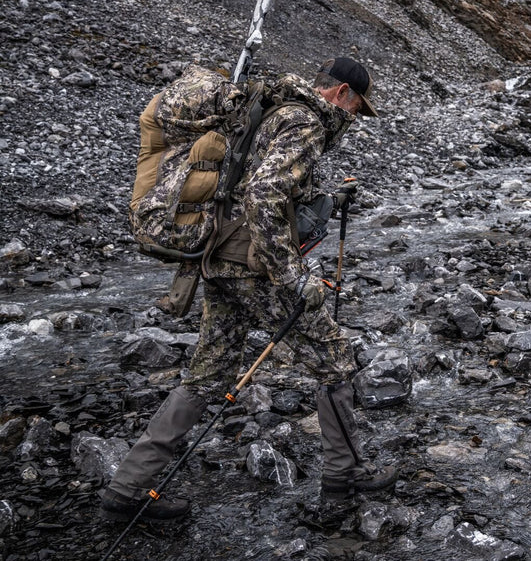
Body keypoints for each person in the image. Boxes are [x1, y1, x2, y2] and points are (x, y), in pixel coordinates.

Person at [99, 56, 397, 523]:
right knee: (334, 358)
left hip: (219, 257)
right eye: (358, 106)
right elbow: (263, 193)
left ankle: (126, 489)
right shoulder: (305, 122)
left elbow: (250, 186)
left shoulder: (270, 110)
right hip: (253, 267)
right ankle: (345, 475)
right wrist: (292, 276)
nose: (356, 117)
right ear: (341, 93)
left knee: (209, 373)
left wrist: (328, 200)